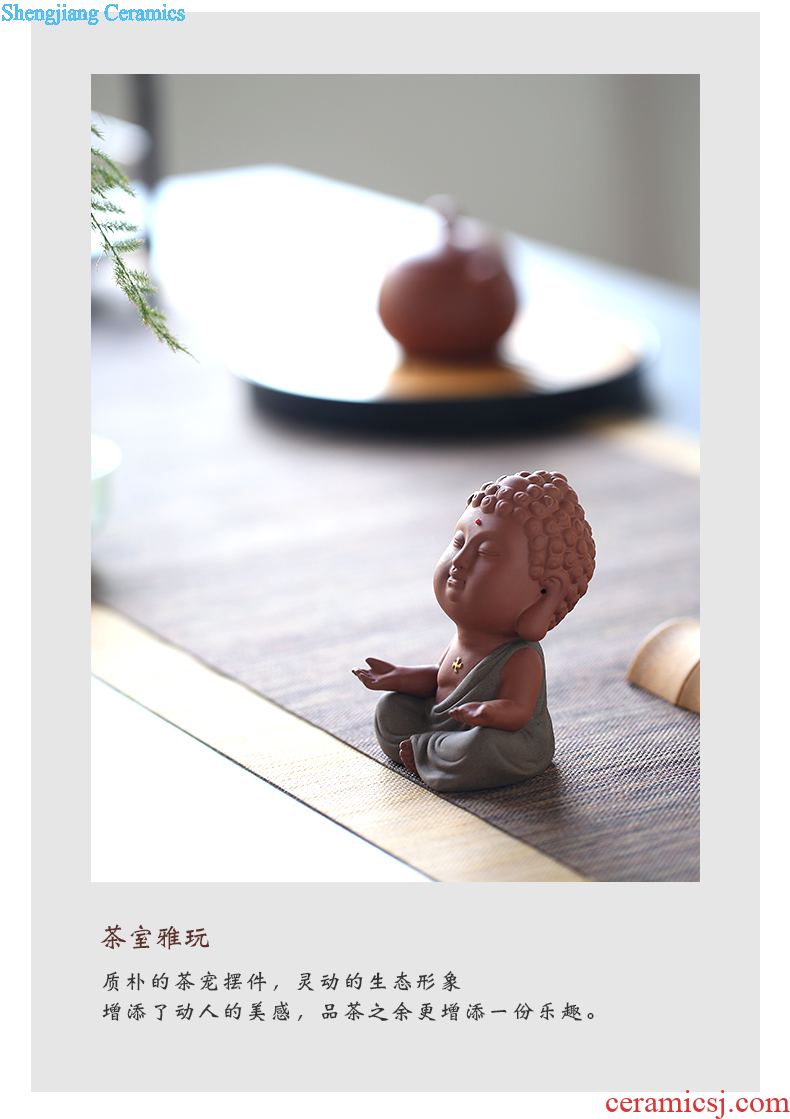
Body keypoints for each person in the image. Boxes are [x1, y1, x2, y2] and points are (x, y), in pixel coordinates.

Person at [352, 471, 595, 792]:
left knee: (482, 747)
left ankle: (431, 750)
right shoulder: (463, 638)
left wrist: (486, 712)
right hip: (452, 722)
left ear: (544, 595)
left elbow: (518, 712)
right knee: (391, 710)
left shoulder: (521, 657)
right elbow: (441, 681)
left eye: (486, 553)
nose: (459, 561)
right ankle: (430, 750)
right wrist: (398, 677)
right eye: (458, 542)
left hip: (498, 734)